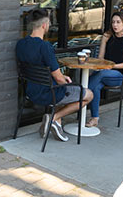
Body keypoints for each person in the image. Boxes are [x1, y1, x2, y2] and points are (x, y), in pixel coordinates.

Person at [16, 8, 94, 142]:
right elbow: (58, 78)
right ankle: (54, 118)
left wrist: (63, 80)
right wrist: (69, 85)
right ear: (44, 25)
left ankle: (57, 122)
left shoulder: (20, 44)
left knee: (64, 88)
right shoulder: (45, 47)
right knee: (88, 94)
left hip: (30, 91)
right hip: (48, 93)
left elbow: (51, 75)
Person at [86, 11, 123, 128]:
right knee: (96, 86)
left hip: (119, 76)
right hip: (104, 73)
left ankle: (80, 96)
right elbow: (100, 58)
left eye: (118, 22)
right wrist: (103, 65)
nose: (115, 25)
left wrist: (112, 66)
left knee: (98, 75)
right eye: (113, 22)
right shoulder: (107, 36)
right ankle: (95, 118)